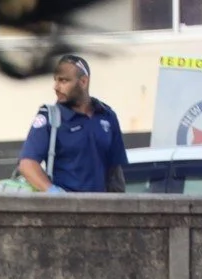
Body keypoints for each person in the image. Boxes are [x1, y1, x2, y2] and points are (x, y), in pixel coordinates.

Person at [17, 53, 127, 194]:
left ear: (83, 82)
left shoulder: (107, 116)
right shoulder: (50, 117)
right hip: (65, 210)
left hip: (100, 209)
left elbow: (115, 170)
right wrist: (52, 191)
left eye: (63, 81)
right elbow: (27, 164)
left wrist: (119, 207)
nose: (56, 87)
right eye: (55, 80)